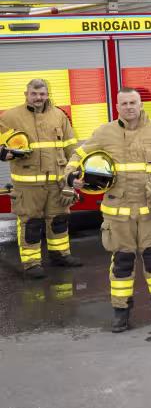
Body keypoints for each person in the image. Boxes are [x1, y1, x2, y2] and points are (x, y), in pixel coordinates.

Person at [67, 88, 151, 332]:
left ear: (141, 104)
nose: (129, 107)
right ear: (117, 106)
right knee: (122, 262)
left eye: (133, 102)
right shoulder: (104, 132)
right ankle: (121, 311)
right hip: (118, 214)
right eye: (124, 103)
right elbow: (77, 155)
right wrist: (71, 177)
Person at [0, 79, 81, 279]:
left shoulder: (59, 115)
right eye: (34, 94)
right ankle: (31, 263)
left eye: (42, 94)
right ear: (26, 94)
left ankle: (60, 255)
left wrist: (71, 179)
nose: (38, 98)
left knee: (59, 220)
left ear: (47, 94)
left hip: (57, 182)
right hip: (27, 185)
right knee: (31, 223)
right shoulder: (10, 117)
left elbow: (71, 148)